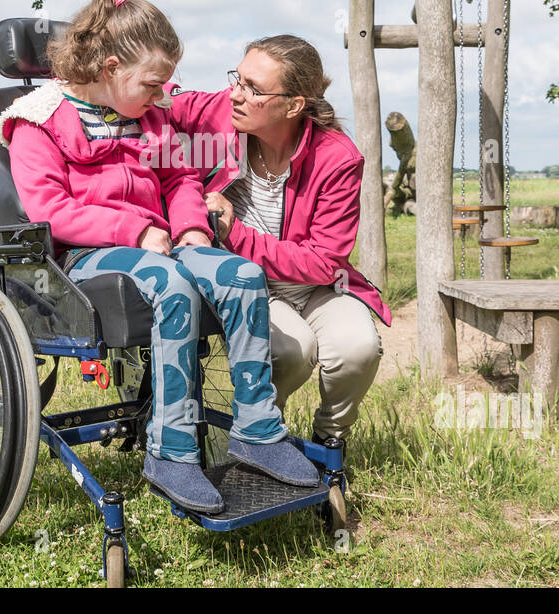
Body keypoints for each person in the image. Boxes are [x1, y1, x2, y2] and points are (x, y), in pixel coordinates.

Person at [0, 0, 317, 514]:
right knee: (169, 287)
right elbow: (49, 210)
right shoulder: (38, 121)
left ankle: (258, 431)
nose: (161, 93)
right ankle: (171, 452)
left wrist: (191, 228)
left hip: (164, 241)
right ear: (110, 66)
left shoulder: (150, 117)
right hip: (83, 258)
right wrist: (136, 230)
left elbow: (180, 178)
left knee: (241, 275)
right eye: (152, 83)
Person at [165, 34, 391, 445]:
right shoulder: (219, 114)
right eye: (238, 78)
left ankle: (328, 444)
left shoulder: (338, 158)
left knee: (358, 348)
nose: (235, 94)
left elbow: (324, 262)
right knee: (291, 353)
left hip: (318, 286)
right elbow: (160, 97)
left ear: (293, 105)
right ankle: (260, 438)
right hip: (248, 285)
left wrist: (237, 234)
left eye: (253, 89)